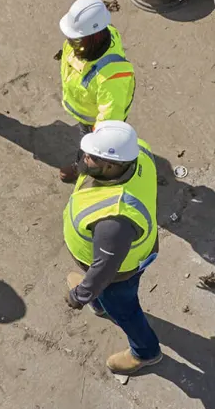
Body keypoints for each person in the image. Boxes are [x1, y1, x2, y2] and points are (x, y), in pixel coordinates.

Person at [62, 121, 162, 376]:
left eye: (92, 157)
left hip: (117, 274)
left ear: (111, 166)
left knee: (125, 310)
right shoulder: (138, 150)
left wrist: (80, 295)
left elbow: (104, 269)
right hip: (111, 259)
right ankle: (99, 300)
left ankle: (146, 351)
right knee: (101, 290)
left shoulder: (114, 222)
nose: (86, 159)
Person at [56, 0, 135, 183]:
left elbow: (107, 127)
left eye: (76, 41)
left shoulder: (112, 77)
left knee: (93, 151)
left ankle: (86, 171)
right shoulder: (85, 41)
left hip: (95, 123)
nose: (70, 45)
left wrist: (90, 156)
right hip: (83, 110)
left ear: (95, 37)